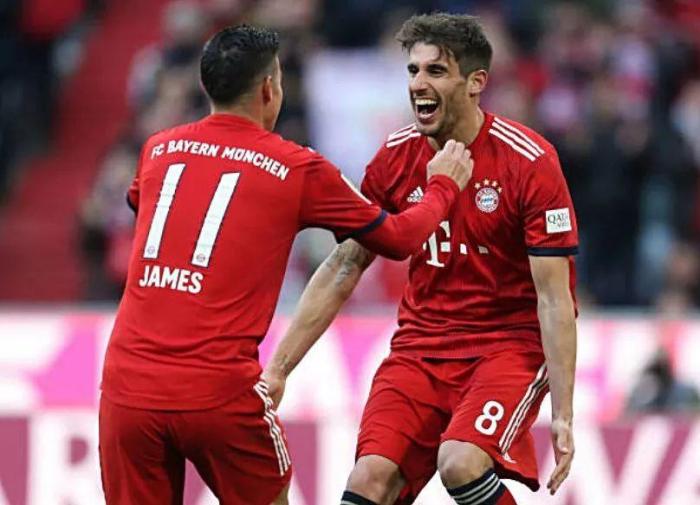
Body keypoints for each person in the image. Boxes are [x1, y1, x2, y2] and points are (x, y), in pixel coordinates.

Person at [99, 24, 473, 505]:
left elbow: (142, 204)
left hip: (127, 386)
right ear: (269, 89)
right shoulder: (296, 167)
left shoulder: (158, 149)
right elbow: (399, 239)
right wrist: (443, 185)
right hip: (219, 390)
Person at [264, 13, 578, 505]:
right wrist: (279, 368)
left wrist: (563, 412)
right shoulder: (394, 157)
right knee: (368, 479)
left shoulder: (530, 160)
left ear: (475, 82)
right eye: (413, 70)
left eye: (435, 71)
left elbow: (555, 299)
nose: (418, 84)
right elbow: (345, 265)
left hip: (504, 349)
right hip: (419, 348)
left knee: (460, 462)